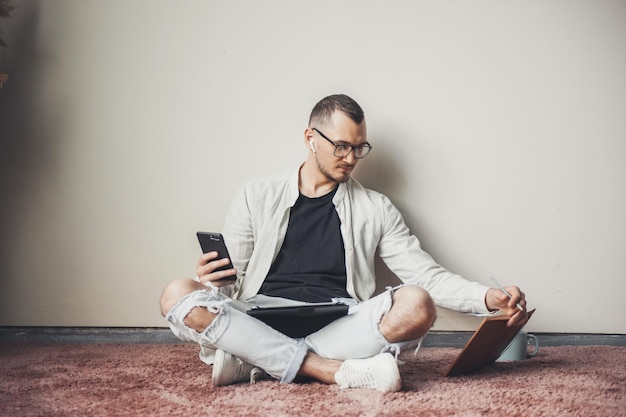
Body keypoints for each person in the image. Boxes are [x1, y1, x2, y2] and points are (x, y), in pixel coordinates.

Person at [160, 94, 528, 392]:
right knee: (176, 294)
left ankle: (255, 361)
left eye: (359, 147)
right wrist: (213, 281)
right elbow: (230, 289)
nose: (351, 159)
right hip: (260, 316)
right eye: (340, 146)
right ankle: (327, 370)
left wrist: (486, 298)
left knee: (418, 304)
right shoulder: (255, 195)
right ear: (310, 138)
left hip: (340, 325)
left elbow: (426, 276)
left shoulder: (375, 207)